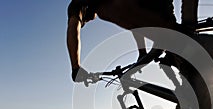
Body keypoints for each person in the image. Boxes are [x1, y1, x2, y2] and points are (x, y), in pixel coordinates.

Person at [67, 0, 199, 82]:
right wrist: (142, 51)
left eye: (87, 20)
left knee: (172, 39)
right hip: (155, 6)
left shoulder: (80, 4)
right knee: (173, 39)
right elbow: (135, 23)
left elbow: (73, 29)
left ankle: (200, 57)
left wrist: (75, 67)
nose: (90, 20)